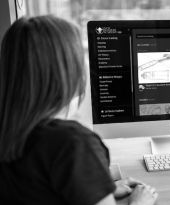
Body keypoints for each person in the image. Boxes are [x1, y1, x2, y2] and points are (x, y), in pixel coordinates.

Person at [0, 15, 158, 205]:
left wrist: (97, 187)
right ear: (67, 71)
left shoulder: (10, 132)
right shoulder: (72, 143)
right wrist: (140, 202)